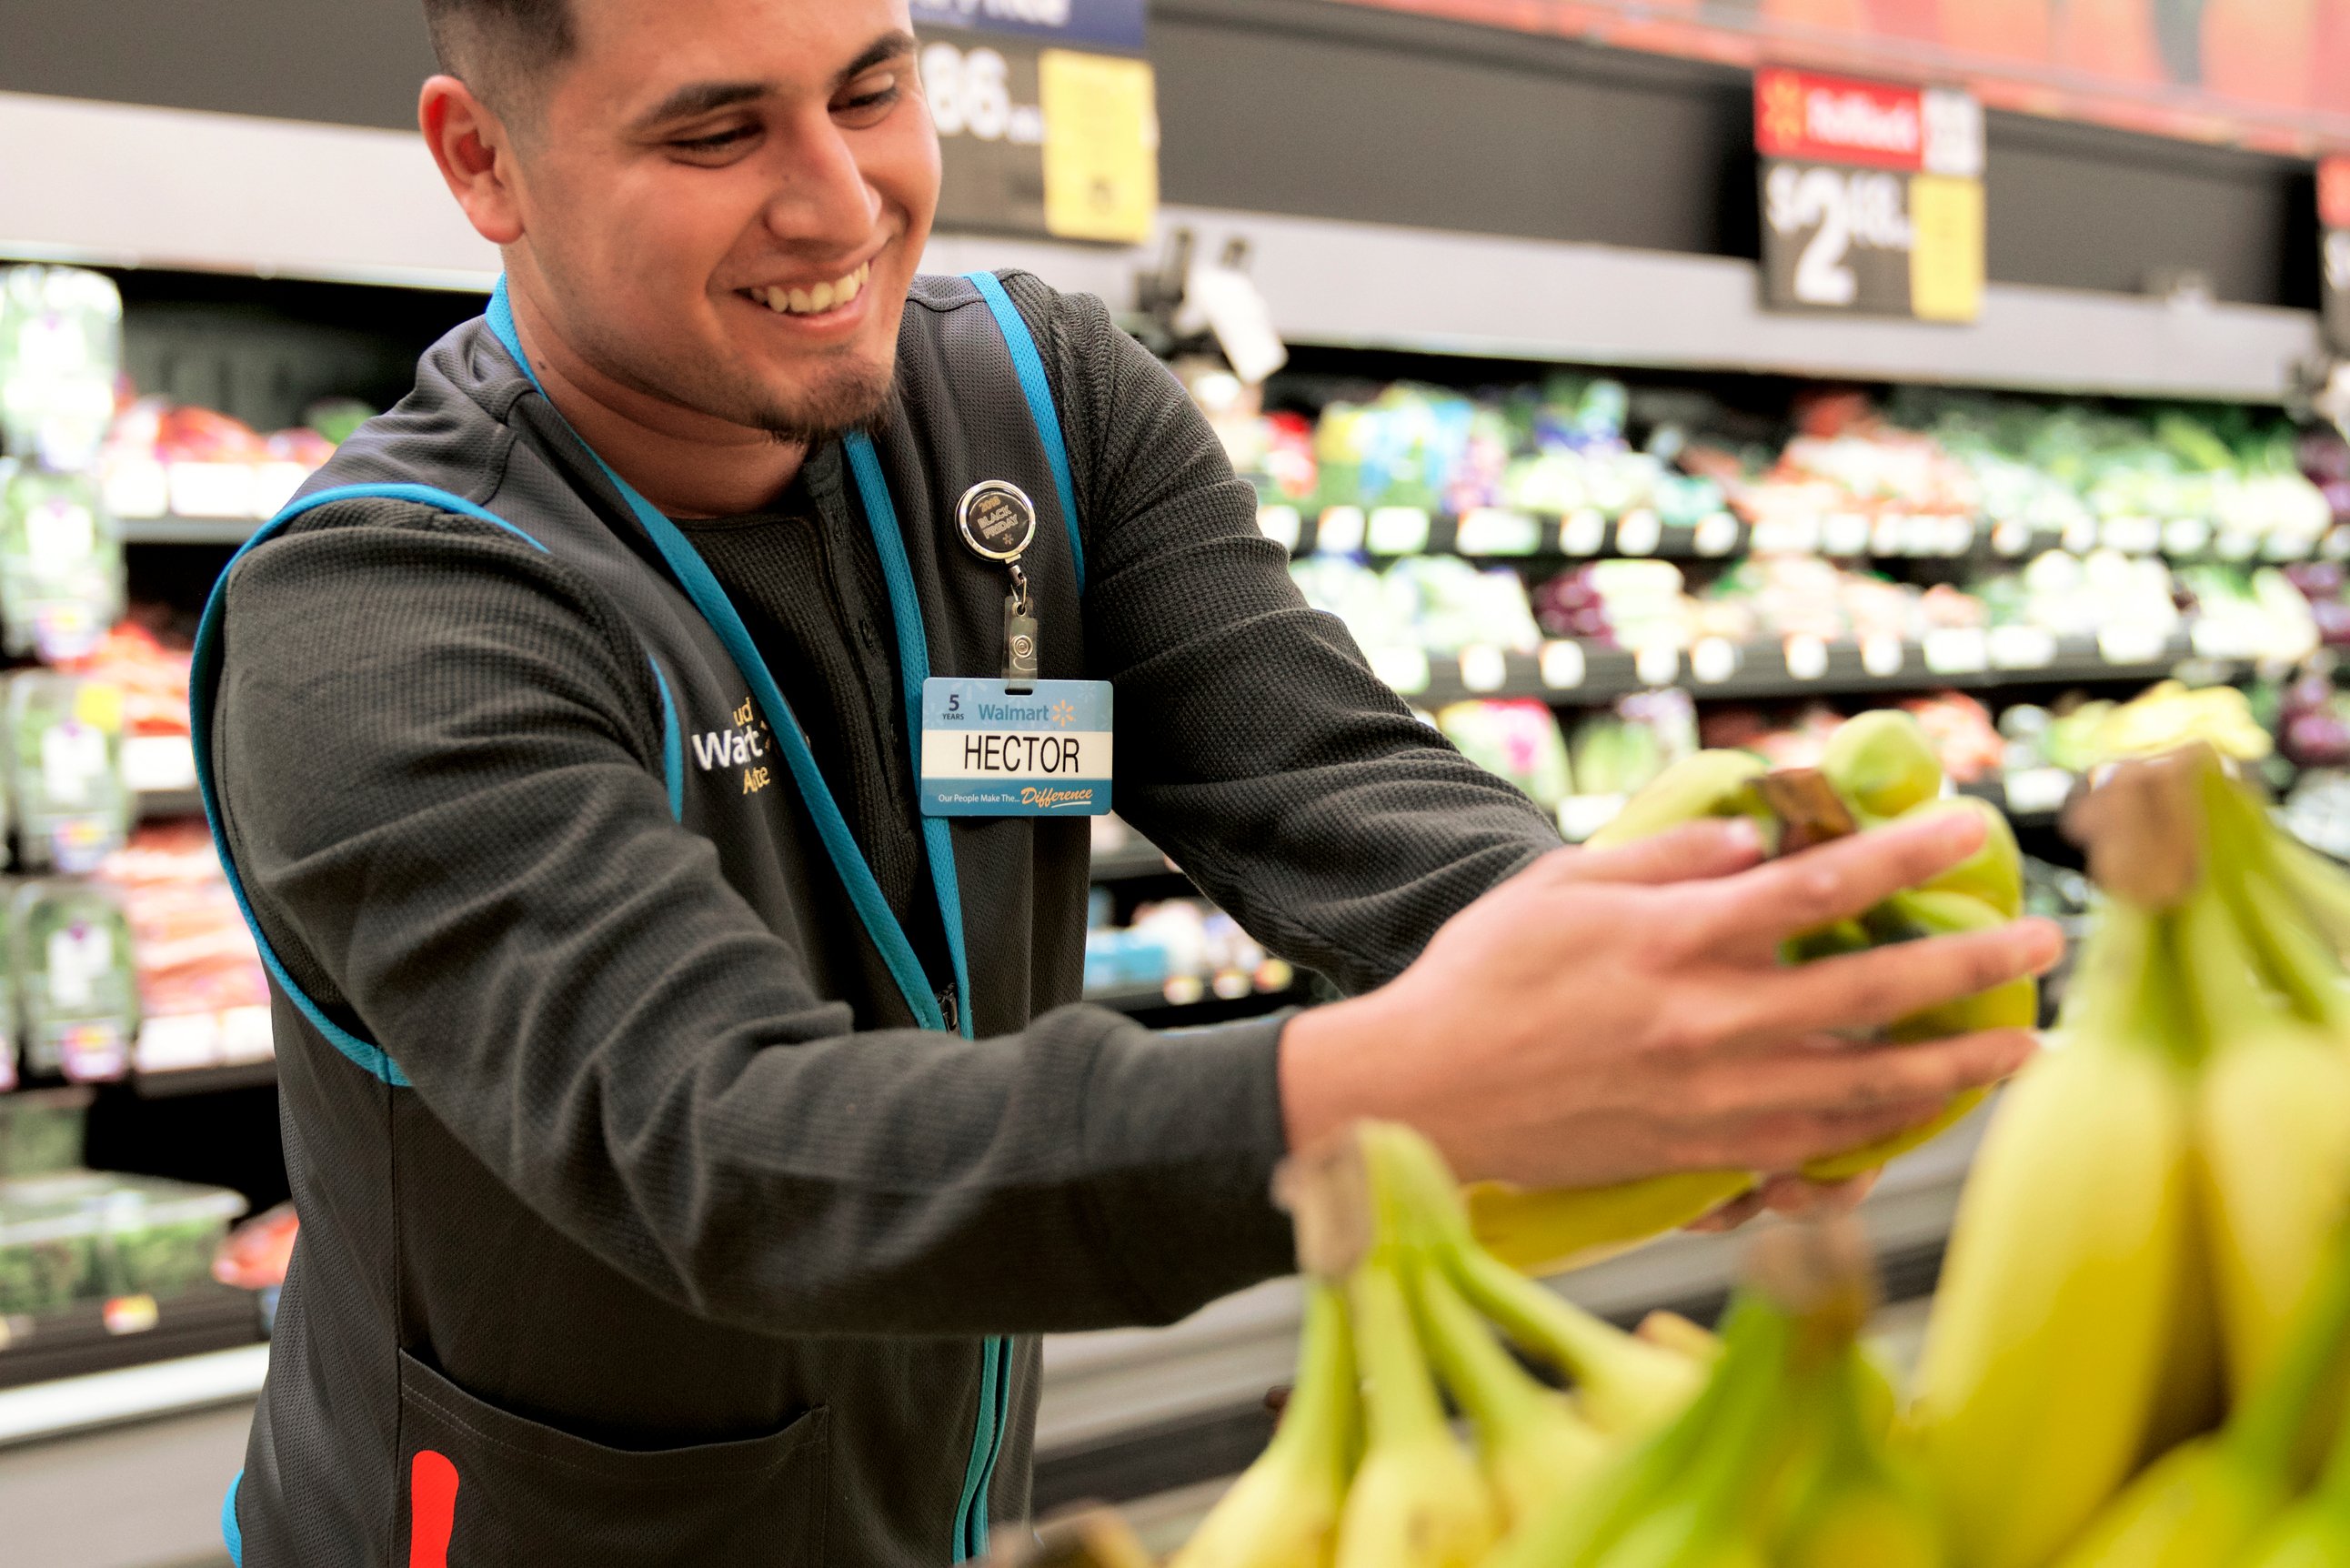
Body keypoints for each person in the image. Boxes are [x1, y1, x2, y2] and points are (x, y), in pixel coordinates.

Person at [198, 1, 2061, 1563]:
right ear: (481, 162)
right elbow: (723, 1144)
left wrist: (1636, 973)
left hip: (943, 1493)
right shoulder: (381, 621)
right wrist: (1400, 1086)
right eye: (712, 135)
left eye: (870, 87)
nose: (842, 200)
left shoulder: (1041, 400)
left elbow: (1326, 780)